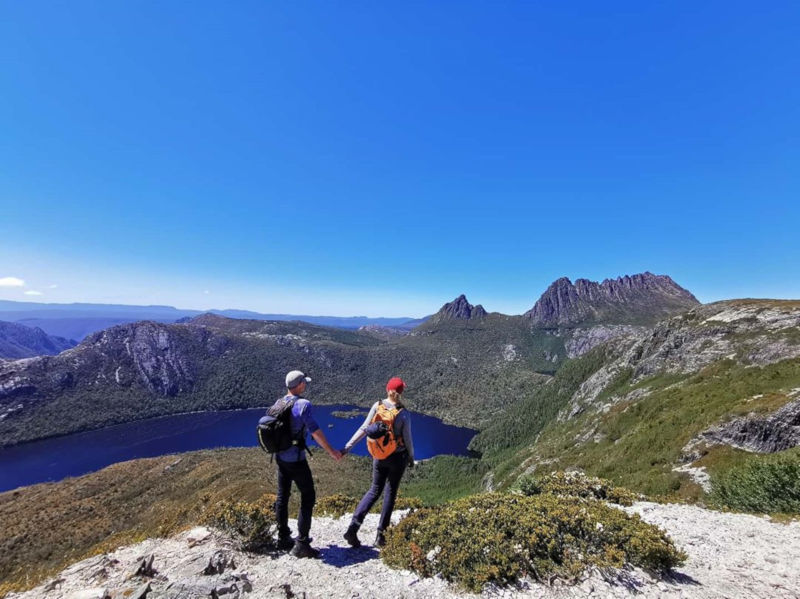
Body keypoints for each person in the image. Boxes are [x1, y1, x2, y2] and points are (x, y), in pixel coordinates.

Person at [274, 370, 342, 559]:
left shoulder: (279, 403)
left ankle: (283, 538)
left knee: (282, 496)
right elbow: (315, 432)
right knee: (308, 496)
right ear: (299, 385)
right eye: (304, 382)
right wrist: (332, 452)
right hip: (296, 460)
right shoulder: (303, 405)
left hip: (280, 458)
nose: (305, 385)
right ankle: (302, 544)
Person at [342, 376, 415, 548]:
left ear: (387, 389)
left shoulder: (377, 406)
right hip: (397, 458)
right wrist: (411, 457)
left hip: (379, 456)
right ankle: (381, 537)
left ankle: (353, 528)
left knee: (374, 490)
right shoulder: (403, 414)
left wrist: (348, 446)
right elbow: (408, 439)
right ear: (401, 393)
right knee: (390, 493)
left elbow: (364, 428)